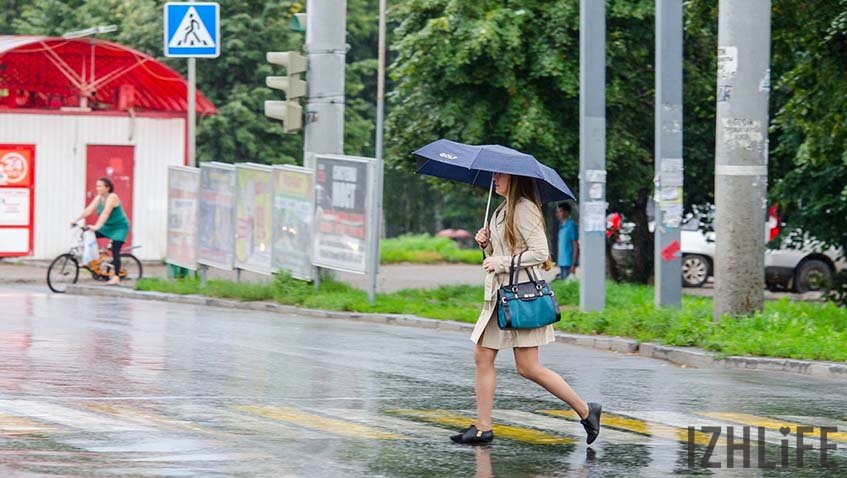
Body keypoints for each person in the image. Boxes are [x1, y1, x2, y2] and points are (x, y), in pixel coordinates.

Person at [450, 172, 601, 445]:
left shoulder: (523, 208)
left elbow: (540, 253)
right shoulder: (502, 208)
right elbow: (504, 251)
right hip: (500, 294)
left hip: (521, 297)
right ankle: (483, 427)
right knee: (482, 355)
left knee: (528, 367)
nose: (494, 179)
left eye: (500, 175)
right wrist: (487, 245)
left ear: (515, 178)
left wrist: (501, 262)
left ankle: (586, 410)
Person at [72, 177, 130, 285]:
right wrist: (76, 220)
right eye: (97, 186)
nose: (97, 188)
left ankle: (116, 277)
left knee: (115, 249)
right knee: (88, 234)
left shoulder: (112, 197)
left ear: (107, 188)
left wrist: (97, 226)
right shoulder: (99, 198)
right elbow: (88, 210)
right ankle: (91, 260)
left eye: (100, 186)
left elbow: (106, 212)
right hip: (108, 226)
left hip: (119, 227)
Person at [556, 203, 579, 280]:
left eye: (560, 211)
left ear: (566, 212)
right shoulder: (562, 226)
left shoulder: (571, 225)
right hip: (561, 261)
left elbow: (575, 244)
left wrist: (573, 264)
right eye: (557, 212)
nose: (558, 214)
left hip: (568, 262)